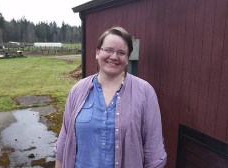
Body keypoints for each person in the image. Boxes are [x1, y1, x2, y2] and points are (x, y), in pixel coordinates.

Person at [54, 26, 167, 168]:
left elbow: (154, 152)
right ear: (97, 52)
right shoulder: (77, 90)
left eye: (121, 52)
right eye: (108, 50)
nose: (114, 57)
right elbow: (63, 142)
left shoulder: (145, 92)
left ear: (127, 57)